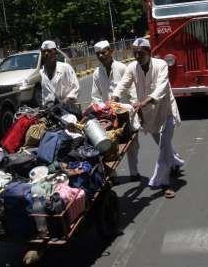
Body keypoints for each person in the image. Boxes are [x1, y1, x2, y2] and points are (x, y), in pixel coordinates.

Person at [112, 38, 184, 199]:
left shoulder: (161, 65)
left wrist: (143, 102)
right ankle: (176, 162)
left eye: (141, 53)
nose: (137, 56)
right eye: (135, 53)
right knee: (162, 144)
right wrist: (114, 98)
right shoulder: (132, 67)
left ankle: (165, 183)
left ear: (149, 52)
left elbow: (162, 88)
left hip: (166, 112)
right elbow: (123, 84)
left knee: (164, 146)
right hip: (149, 114)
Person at [90, 40, 140, 181]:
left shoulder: (122, 68)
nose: (101, 56)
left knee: (132, 144)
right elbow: (95, 97)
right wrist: (103, 106)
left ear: (111, 51)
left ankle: (134, 172)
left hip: (125, 112)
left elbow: (132, 91)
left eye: (104, 52)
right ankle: (112, 175)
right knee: (107, 145)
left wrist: (134, 107)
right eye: (98, 54)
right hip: (108, 113)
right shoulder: (96, 73)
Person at [39, 40, 79, 109]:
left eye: (49, 51)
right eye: (43, 51)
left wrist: (64, 102)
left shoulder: (65, 67)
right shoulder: (42, 72)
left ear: (56, 53)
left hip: (69, 109)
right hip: (51, 111)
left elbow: (75, 88)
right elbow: (44, 95)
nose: (46, 54)